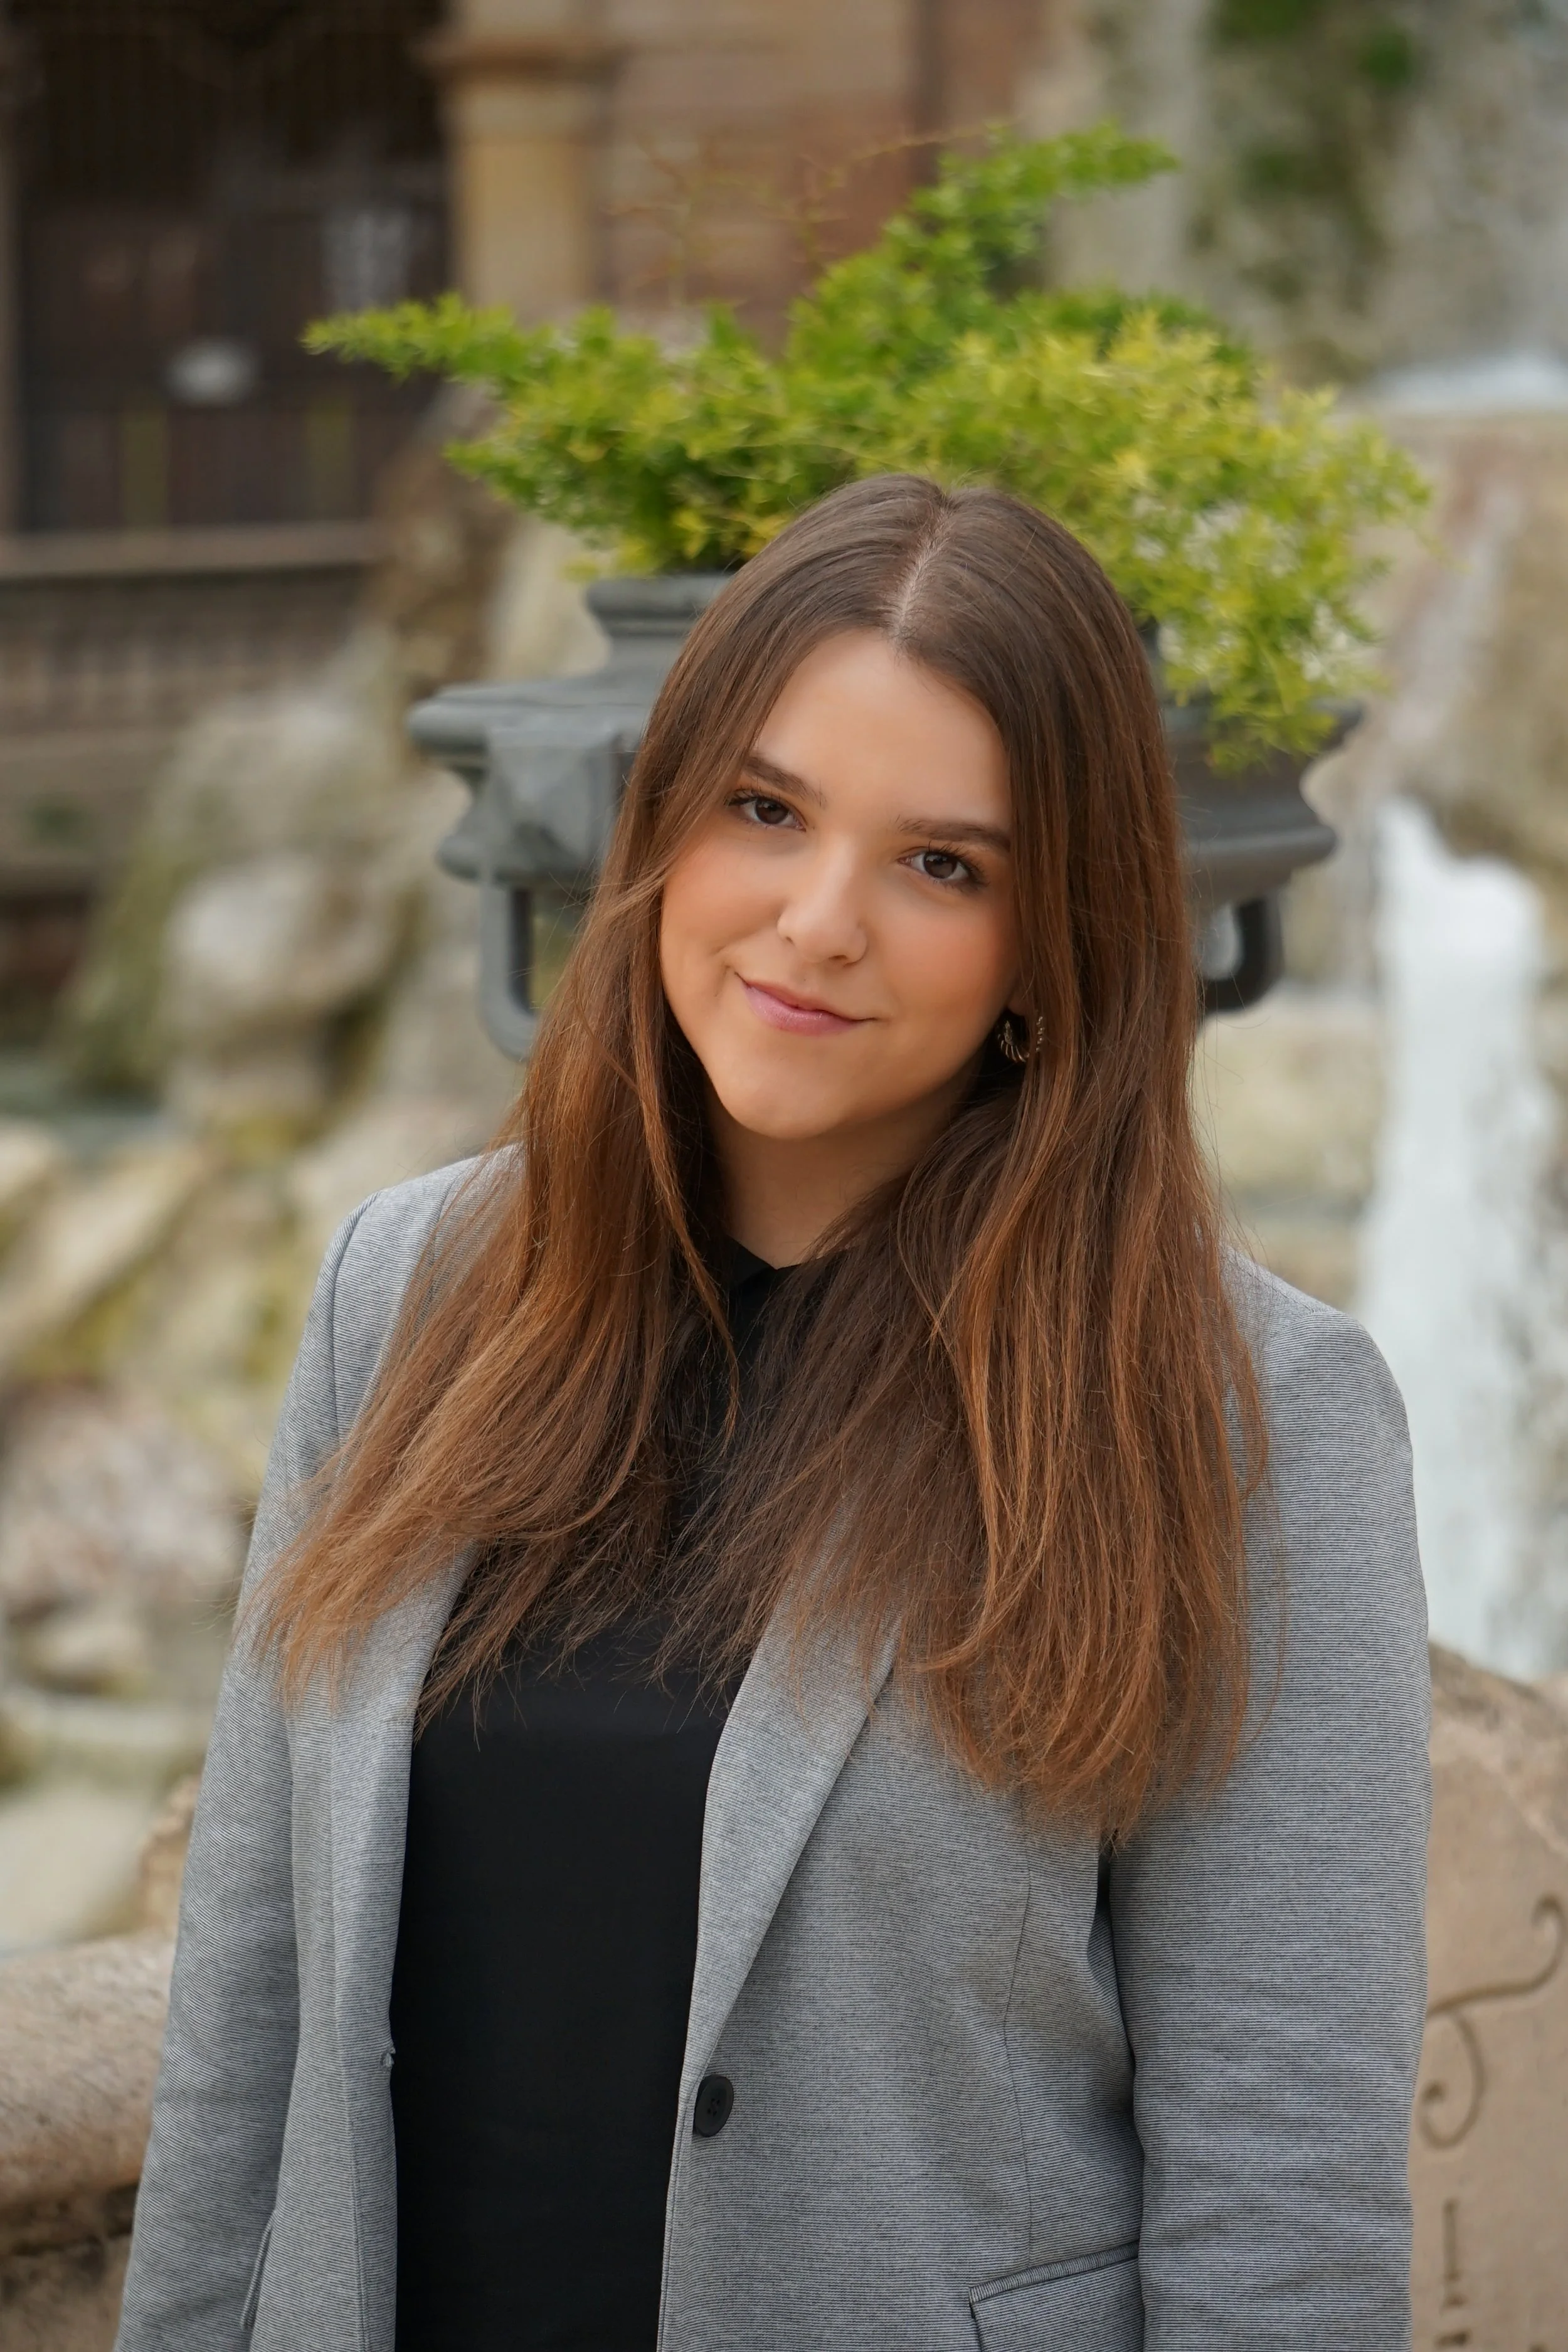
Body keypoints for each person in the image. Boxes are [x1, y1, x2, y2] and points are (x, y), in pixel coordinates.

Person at [114, 474, 1429, 2352]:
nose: (816, 923)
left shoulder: (1247, 1417)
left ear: (1055, 947)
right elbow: (243, 2024)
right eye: (766, 810)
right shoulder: (400, 1293)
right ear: (663, 826)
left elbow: (1279, 2225)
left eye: (941, 865)